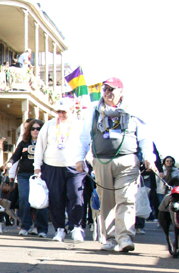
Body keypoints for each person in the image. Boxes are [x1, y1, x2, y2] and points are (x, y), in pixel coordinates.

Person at [78, 77, 154, 252]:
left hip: (127, 161)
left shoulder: (132, 111)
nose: (108, 93)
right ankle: (110, 238)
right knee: (106, 201)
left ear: (121, 92)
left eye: (112, 89)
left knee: (126, 199)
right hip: (102, 161)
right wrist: (79, 159)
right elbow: (83, 137)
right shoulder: (94, 112)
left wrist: (148, 156)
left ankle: (125, 237)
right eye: (105, 89)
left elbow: (144, 136)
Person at [34, 99, 87, 243]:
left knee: (76, 196)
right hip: (52, 166)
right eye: (59, 111)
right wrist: (37, 167)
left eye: (64, 111)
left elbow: (87, 144)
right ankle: (60, 229)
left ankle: (76, 227)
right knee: (56, 199)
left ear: (72, 110)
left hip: (74, 166)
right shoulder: (49, 125)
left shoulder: (80, 125)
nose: (61, 114)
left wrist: (86, 161)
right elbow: (40, 146)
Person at [8, 118, 48, 237]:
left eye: (38, 129)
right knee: (24, 199)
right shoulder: (24, 142)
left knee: (40, 201)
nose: (35, 131)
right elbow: (15, 156)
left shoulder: (46, 143)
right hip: (24, 175)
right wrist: (9, 163)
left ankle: (41, 228)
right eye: (33, 129)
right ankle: (25, 226)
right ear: (29, 130)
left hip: (40, 175)